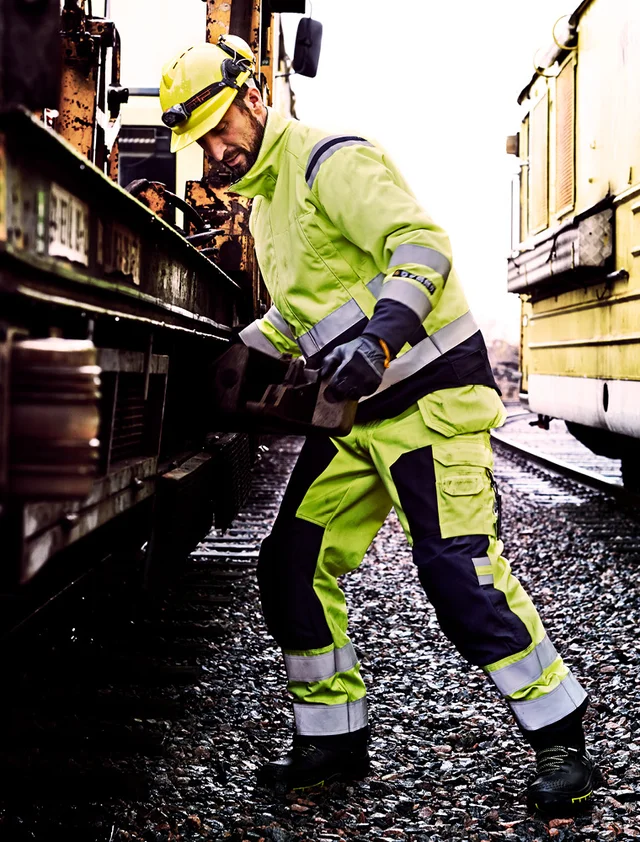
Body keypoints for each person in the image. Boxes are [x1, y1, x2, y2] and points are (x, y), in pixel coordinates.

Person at [160, 34, 595, 816]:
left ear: (255, 99)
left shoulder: (331, 160)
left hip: (430, 403)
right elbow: (301, 313)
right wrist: (243, 352)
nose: (214, 152)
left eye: (220, 129)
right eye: (202, 144)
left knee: (457, 574)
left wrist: (381, 338)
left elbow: (422, 247)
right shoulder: (267, 209)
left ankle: (561, 735)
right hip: (357, 416)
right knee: (290, 561)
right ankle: (333, 737)